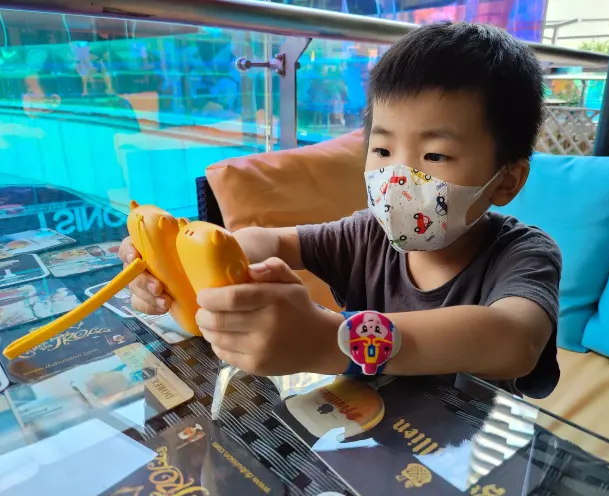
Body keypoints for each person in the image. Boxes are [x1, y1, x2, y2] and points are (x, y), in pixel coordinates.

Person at [119, 22, 561, 399]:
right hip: (360, 429)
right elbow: (267, 241)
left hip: (465, 451)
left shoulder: (524, 254)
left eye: (435, 156)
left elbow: (514, 340)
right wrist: (179, 260)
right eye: (383, 150)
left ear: (506, 180)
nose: (398, 178)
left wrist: (331, 339)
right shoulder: (365, 235)